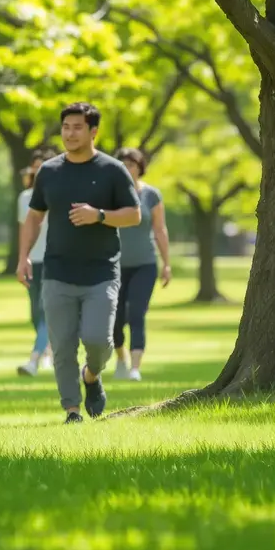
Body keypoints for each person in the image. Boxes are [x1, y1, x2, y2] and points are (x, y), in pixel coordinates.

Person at [17, 102, 141, 424]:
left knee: (99, 341)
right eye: (66, 127)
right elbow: (34, 217)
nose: (70, 134)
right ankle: (72, 410)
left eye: (77, 128)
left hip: (101, 272)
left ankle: (92, 375)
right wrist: (23, 256)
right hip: (57, 271)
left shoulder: (112, 170)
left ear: (93, 131)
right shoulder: (49, 171)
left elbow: (134, 214)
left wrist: (98, 215)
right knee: (62, 345)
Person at [112, 147, 172, 382]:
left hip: (144, 264)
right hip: (114, 267)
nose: (127, 169)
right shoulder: (111, 195)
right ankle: (120, 358)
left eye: (131, 164)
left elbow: (160, 229)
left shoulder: (151, 195)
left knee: (137, 313)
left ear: (139, 168)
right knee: (115, 318)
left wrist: (166, 263)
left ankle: (135, 368)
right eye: (122, 164)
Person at [17, 147, 56, 377]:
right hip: (34, 260)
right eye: (36, 167)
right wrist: (22, 258)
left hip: (55, 260)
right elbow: (24, 229)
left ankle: (33, 359)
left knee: (46, 309)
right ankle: (48, 350)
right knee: (35, 312)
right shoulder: (24, 197)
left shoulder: (59, 193)